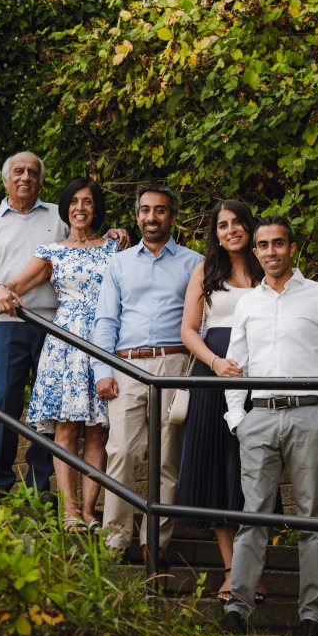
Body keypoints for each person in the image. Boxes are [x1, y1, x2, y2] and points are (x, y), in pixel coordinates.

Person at [0, 152, 129, 500]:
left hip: (56, 325)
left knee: (50, 404)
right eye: (19, 171)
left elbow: (85, 241)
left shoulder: (57, 216)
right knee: (5, 399)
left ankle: (39, 482)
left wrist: (114, 233)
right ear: (6, 178)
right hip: (10, 320)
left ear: (40, 180)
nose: (26, 177)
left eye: (33, 172)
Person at [221, 215, 318, 636]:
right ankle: (237, 608)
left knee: (313, 517)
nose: (271, 252)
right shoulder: (248, 304)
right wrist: (237, 418)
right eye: (263, 245)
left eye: (278, 243)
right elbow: (234, 366)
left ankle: (313, 616)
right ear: (256, 251)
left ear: (291, 248)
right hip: (258, 417)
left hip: (308, 415)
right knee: (252, 516)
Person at [0, 178, 119, 531]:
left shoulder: (114, 247)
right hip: (65, 344)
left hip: (104, 341)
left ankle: (91, 512)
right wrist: (2, 289)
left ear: (97, 209)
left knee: (98, 432)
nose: (81, 208)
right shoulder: (52, 251)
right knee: (66, 428)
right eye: (75, 202)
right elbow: (14, 286)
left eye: (88, 202)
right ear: (65, 208)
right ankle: (69, 511)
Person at [177, 200, 283, 602]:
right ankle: (230, 572)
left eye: (238, 222)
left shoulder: (265, 268)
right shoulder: (206, 271)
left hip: (261, 375)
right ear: (215, 233)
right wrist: (215, 362)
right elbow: (188, 330)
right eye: (222, 225)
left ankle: (253, 569)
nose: (231, 230)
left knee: (253, 468)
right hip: (216, 372)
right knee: (218, 468)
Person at [92, 183, 203, 563]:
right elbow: (105, 320)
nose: (150, 217)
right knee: (121, 451)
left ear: (172, 216)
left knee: (167, 458)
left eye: (159, 210)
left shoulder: (194, 262)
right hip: (125, 365)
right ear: (137, 215)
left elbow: (202, 322)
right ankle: (115, 541)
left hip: (174, 364)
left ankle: (154, 542)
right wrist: (102, 370)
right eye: (144, 210)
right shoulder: (119, 263)